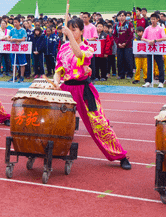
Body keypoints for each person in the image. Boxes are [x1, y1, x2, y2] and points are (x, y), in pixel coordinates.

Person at [53, 17, 131, 170]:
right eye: (70, 29)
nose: (72, 32)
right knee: (55, 120)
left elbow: (79, 55)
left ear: (82, 31)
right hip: (66, 89)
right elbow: (59, 69)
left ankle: (119, 155)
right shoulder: (63, 48)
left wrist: (69, 36)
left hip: (83, 90)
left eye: (74, 29)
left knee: (99, 124)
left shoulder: (88, 47)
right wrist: (56, 81)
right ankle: (54, 150)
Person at [142, 13, 166, 88]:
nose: (153, 20)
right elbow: (143, 38)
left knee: (160, 66)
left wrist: (155, 40)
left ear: (157, 20)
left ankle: (161, 81)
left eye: (154, 19)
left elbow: (164, 38)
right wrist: (148, 41)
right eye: (152, 19)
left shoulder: (160, 28)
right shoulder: (147, 28)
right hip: (150, 49)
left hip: (158, 50)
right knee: (149, 65)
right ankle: (148, 81)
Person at [113, 11, 134, 79]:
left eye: (123, 16)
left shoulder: (129, 24)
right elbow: (114, 35)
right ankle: (121, 74)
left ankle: (129, 74)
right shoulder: (116, 25)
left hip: (127, 46)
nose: (121, 17)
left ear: (125, 17)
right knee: (120, 60)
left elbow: (131, 35)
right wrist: (118, 43)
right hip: (119, 46)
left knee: (128, 60)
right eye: (120, 16)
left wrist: (125, 43)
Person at [7, 17, 27, 82]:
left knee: (22, 63)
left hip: (21, 49)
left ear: (19, 22)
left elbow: (23, 39)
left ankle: (21, 76)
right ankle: (14, 76)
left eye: (16, 22)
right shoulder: (12, 30)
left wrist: (16, 40)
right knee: (14, 63)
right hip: (13, 49)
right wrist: (11, 40)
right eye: (14, 22)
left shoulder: (23, 30)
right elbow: (8, 38)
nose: (15, 23)